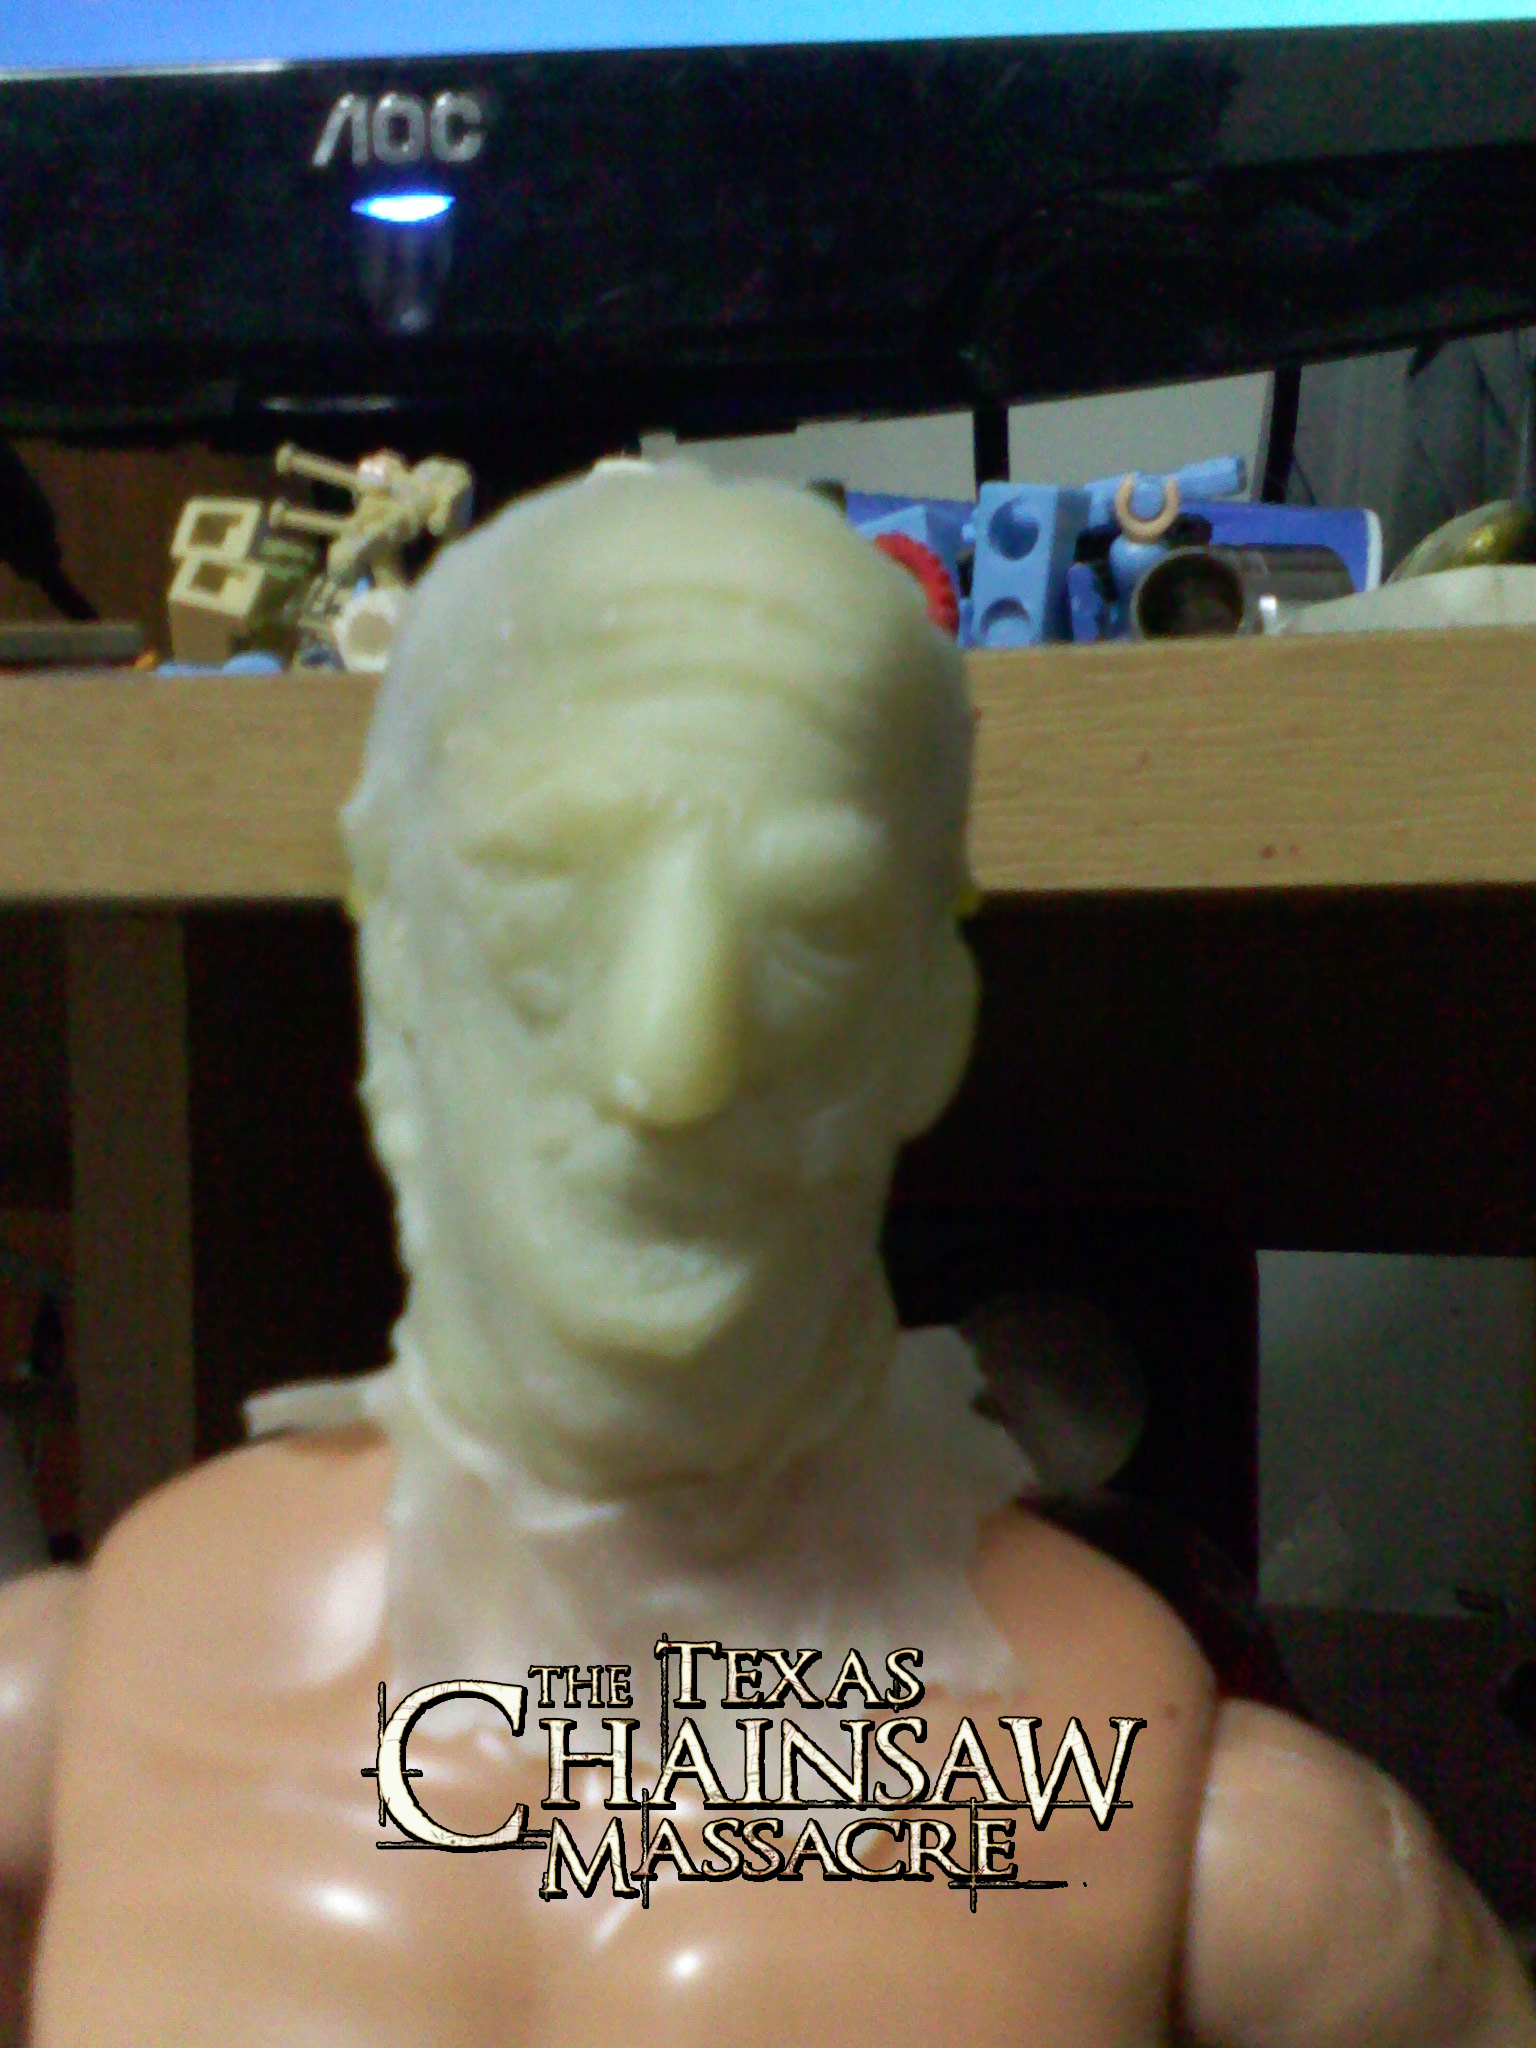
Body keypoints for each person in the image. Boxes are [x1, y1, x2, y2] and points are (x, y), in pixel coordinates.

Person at [2, 465, 1532, 2048]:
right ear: (395, 948)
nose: (670, 1063)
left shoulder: (1254, 1875)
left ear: (929, 1012)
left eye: (810, 924)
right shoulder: (62, 1726)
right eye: (548, 892)